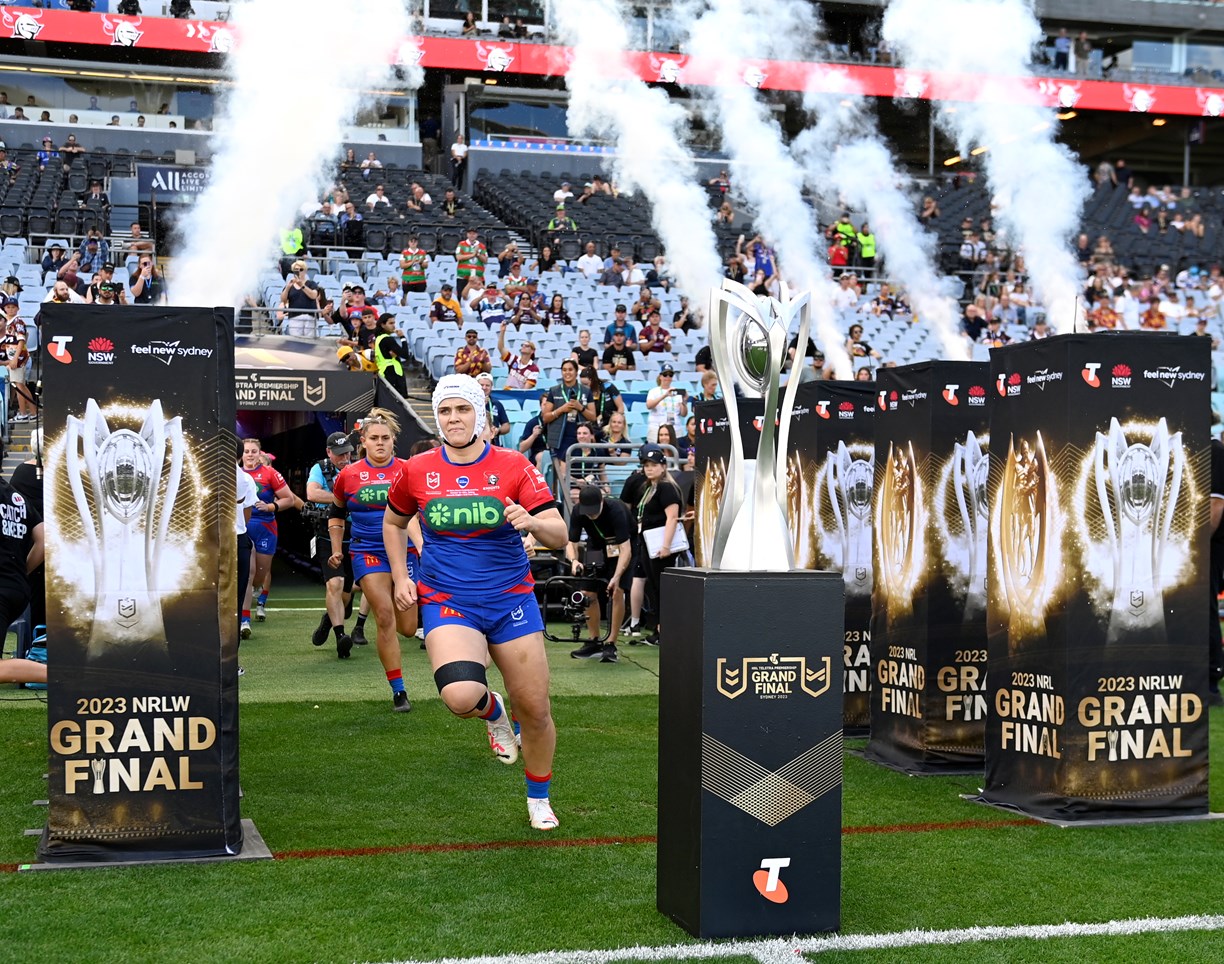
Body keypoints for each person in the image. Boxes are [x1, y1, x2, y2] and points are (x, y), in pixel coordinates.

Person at [383, 374, 568, 830]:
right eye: (445, 410)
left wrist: (532, 522)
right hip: (449, 600)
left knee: (538, 710)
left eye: (462, 409)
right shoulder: (416, 468)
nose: (453, 418)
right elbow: (393, 523)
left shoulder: (512, 465)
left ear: (479, 414)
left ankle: (538, 797)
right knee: (460, 696)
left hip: (511, 601)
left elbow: (559, 534)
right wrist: (401, 576)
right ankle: (495, 712)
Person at [329, 409, 419, 710]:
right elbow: (337, 513)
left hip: (405, 553)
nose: (380, 443)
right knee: (383, 615)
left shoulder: (409, 470)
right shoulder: (348, 475)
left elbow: (421, 515)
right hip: (367, 552)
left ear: (394, 441)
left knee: (408, 627)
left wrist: (423, 545)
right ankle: (399, 691)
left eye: (385, 438)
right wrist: (337, 548)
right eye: (374, 438)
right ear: (363, 442)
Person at [306, 431, 371, 656]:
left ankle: (329, 619)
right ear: (328, 453)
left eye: (347, 454)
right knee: (334, 584)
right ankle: (340, 636)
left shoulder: (360, 469)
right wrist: (343, 497)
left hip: (355, 534)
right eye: (339, 455)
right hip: (327, 533)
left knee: (346, 593)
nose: (344, 459)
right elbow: (312, 493)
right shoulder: (320, 468)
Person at [567, 485, 633, 664]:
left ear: (602, 502)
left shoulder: (616, 510)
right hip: (596, 547)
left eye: (594, 511)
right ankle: (595, 640)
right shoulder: (578, 512)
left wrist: (616, 576)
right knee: (588, 593)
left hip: (623, 548)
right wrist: (574, 561)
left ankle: (611, 643)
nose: (591, 515)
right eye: (588, 512)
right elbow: (570, 542)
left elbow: (626, 549)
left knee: (617, 591)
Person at [631, 443, 683, 646]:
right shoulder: (649, 488)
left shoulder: (667, 488)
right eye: (646, 464)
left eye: (653, 464)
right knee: (653, 587)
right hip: (648, 542)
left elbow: (672, 518)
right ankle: (659, 627)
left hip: (660, 544)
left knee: (662, 588)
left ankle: (665, 629)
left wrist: (666, 546)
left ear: (663, 466)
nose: (649, 468)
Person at [0, 468, 44, 687]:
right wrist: (20, 572)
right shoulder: (16, 497)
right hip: (16, 587)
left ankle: (68, 675)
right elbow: (44, 538)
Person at [542, 359, 596, 468]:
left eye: (570, 370)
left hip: (580, 437)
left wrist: (580, 408)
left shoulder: (586, 391)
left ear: (576, 372)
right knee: (560, 474)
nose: (567, 372)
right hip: (559, 439)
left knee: (577, 471)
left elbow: (593, 417)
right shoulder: (554, 391)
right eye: (564, 370)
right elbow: (545, 417)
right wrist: (561, 410)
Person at [645, 365, 688, 443]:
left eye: (670, 375)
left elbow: (683, 414)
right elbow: (649, 405)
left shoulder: (676, 392)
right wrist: (665, 395)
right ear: (660, 376)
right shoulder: (653, 391)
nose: (667, 378)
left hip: (675, 428)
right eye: (665, 375)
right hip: (656, 428)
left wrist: (684, 402)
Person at [498, 323, 540, 390]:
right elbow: (501, 348)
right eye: (522, 345)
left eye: (527, 346)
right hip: (506, 392)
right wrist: (502, 332)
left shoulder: (534, 369)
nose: (523, 346)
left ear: (532, 351)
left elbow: (525, 390)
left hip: (519, 395)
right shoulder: (514, 359)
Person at [581, 366, 623, 430]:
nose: (584, 387)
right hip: (594, 426)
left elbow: (621, 408)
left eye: (586, 384)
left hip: (611, 424)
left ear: (593, 380)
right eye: (582, 384)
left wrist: (614, 422)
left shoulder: (608, 387)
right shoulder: (582, 392)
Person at [477, 372, 511, 446]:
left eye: (487, 385)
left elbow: (507, 426)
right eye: (481, 385)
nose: (484, 387)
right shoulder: (470, 403)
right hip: (476, 443)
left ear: (491, 387)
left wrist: (498, 430)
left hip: (494, 443)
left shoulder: (497, 404)